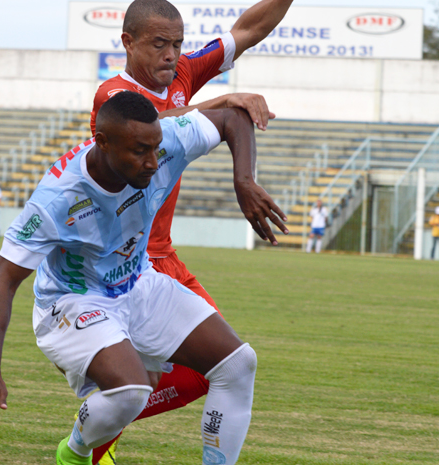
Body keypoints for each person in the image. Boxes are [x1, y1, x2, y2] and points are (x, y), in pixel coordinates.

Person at [0, 92, 288, 465]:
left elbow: (230, 119)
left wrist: (243, 181)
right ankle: (75, 453)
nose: (152, 162)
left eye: (155, 148)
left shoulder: (163, 143)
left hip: (137, 282)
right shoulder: (58, 198)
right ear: (103, 142)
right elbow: (2, 281)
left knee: (238, 364)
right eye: (139, 151)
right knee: (132, 391)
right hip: (72, 301)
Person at [86, 0, 293, 462]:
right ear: (128, 43)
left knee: (224, 365)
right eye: (159, 44)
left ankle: (99, 423)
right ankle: (95, 434)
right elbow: (155, 128)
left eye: (177, 45)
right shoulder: (112, 97)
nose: (170, 54)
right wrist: (224, 101)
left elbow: (250, 28)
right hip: (124, 264)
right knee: (195, 369)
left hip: (165, 256)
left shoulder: (181, 74)